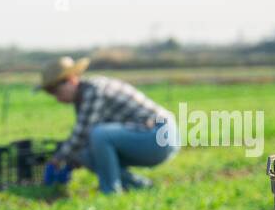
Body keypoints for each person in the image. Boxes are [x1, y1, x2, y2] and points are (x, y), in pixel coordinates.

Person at [38, 56, 178, 194]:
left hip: (159, 135)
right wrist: (72, 159)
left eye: (56, 92)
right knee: (85, 154)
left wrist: (57, 160)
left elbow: (82, 135)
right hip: (149, 136)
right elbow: (83, 144)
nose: (57, 98)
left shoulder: (93, 90)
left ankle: (110, 192)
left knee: (99, 134)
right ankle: (140, 186)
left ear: (71, 80)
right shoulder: (83, 97)